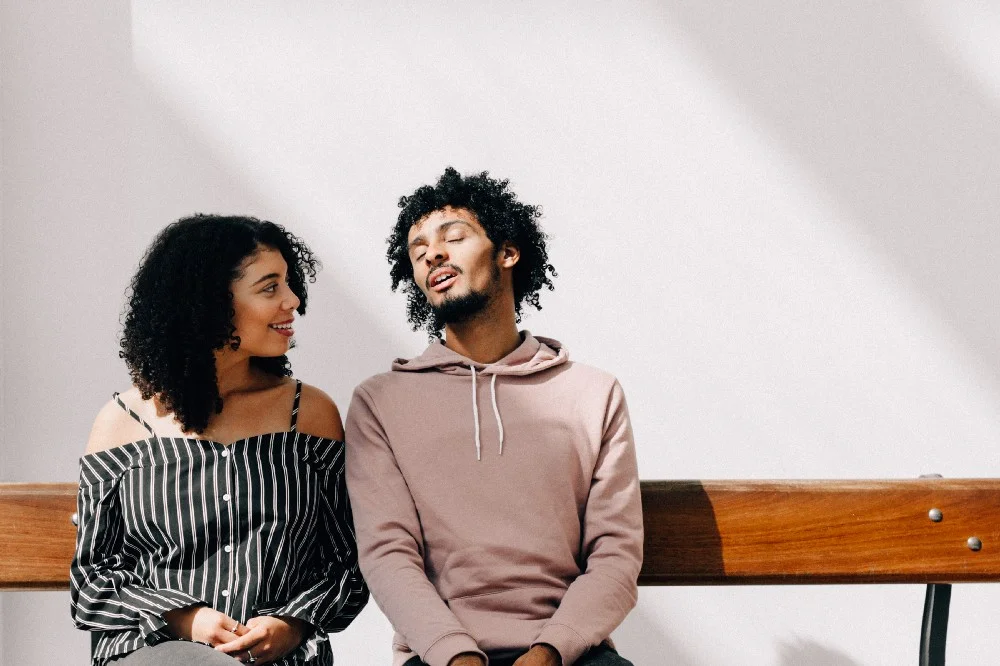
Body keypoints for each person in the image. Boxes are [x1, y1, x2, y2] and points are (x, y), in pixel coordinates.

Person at [345, 168, 643, 666]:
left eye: (453, 238)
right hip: (439, 656)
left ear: (507, 252)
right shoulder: (380, 403)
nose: (433, 255)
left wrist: (550, 650)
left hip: (568, 654)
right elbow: (387, 554)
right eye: (418, 252)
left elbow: (616, 554)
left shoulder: (593, 393)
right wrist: (456, 655)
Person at [70, 215, 368, 666]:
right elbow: (91, 583)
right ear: (208, 303)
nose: (293, 300)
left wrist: (292, 623)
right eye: (270, 287)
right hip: (155, 655)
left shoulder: (309, 414)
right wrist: (183, 619)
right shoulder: (121, 422)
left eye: (289, 283)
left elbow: (348, 560)